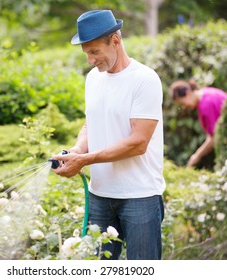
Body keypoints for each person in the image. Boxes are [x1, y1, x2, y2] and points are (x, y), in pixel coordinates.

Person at [52, 10, 165, 260]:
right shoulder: (94, 78)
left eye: (95, 52)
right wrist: (78, 150)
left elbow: (138, 143)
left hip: (140, 197)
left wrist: (86, 159)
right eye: (87, 54)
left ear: (115, 40)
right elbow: (92, 123)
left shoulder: (144, 80)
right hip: (100, 196)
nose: (91, 60)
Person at [169, 80, 227, 167]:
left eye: (182, 103)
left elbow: (214, 138)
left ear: (188, 93)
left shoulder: (205, 105)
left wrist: (196, 156)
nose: (184, 107)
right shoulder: (206, 92)